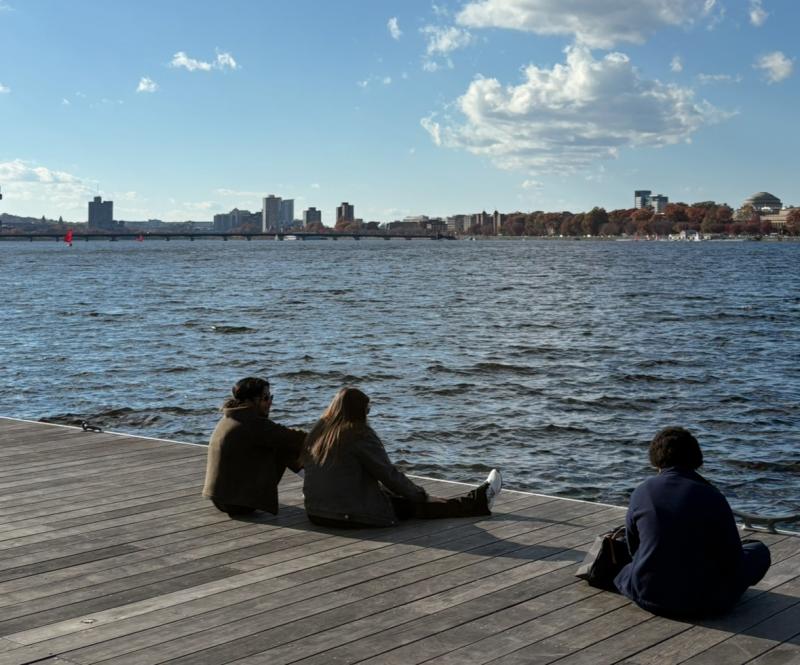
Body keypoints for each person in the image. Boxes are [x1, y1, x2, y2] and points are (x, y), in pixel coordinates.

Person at [614, 426, 771, 618]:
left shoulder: (642, 491)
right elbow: (733, 560)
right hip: (706, 602)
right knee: (758, 551)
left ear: (655, 458)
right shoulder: (712, 496)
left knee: (627, 561)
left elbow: (634, 548)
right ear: (695, 458)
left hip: (649, 595)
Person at [302, 386, 502, 528]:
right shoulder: (357, 434)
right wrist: (422, 495)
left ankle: (475, 501)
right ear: (359, 413)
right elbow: (388, 475)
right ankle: (479, 501)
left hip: (316, 513)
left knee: (392, 496)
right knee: (416, 505)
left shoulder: (317, 433)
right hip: (349, 516)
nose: (368, 415)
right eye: (367, 410)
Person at [203, 377, 306, 517]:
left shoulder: (231, 416)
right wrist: (327, 437)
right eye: (265, 397)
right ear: (249, 401)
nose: (270, 402)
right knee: (285, 445)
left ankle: (313, 482)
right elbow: (296, 438)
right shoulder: (252, 423)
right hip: (238, 504)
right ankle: (317, 486)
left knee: (280, 441)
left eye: (271, 397)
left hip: (219, 499)